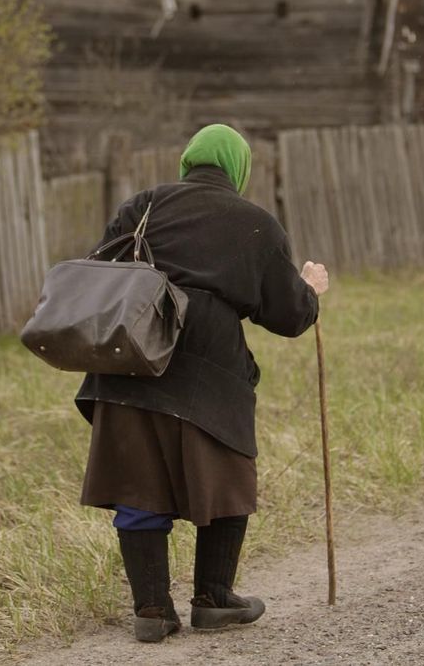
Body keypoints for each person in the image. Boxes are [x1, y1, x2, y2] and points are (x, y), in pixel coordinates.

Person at [75, 124, 328, 642]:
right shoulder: (254, 223)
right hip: (209, 368)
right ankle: (214, 600)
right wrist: (309, 289)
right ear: (238, 170)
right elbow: (288, 316)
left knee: (136, 482)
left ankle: (151, 610)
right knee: (226, 477)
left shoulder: (142, 206)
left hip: (130, 362)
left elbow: (100, 274)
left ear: (188, 162)